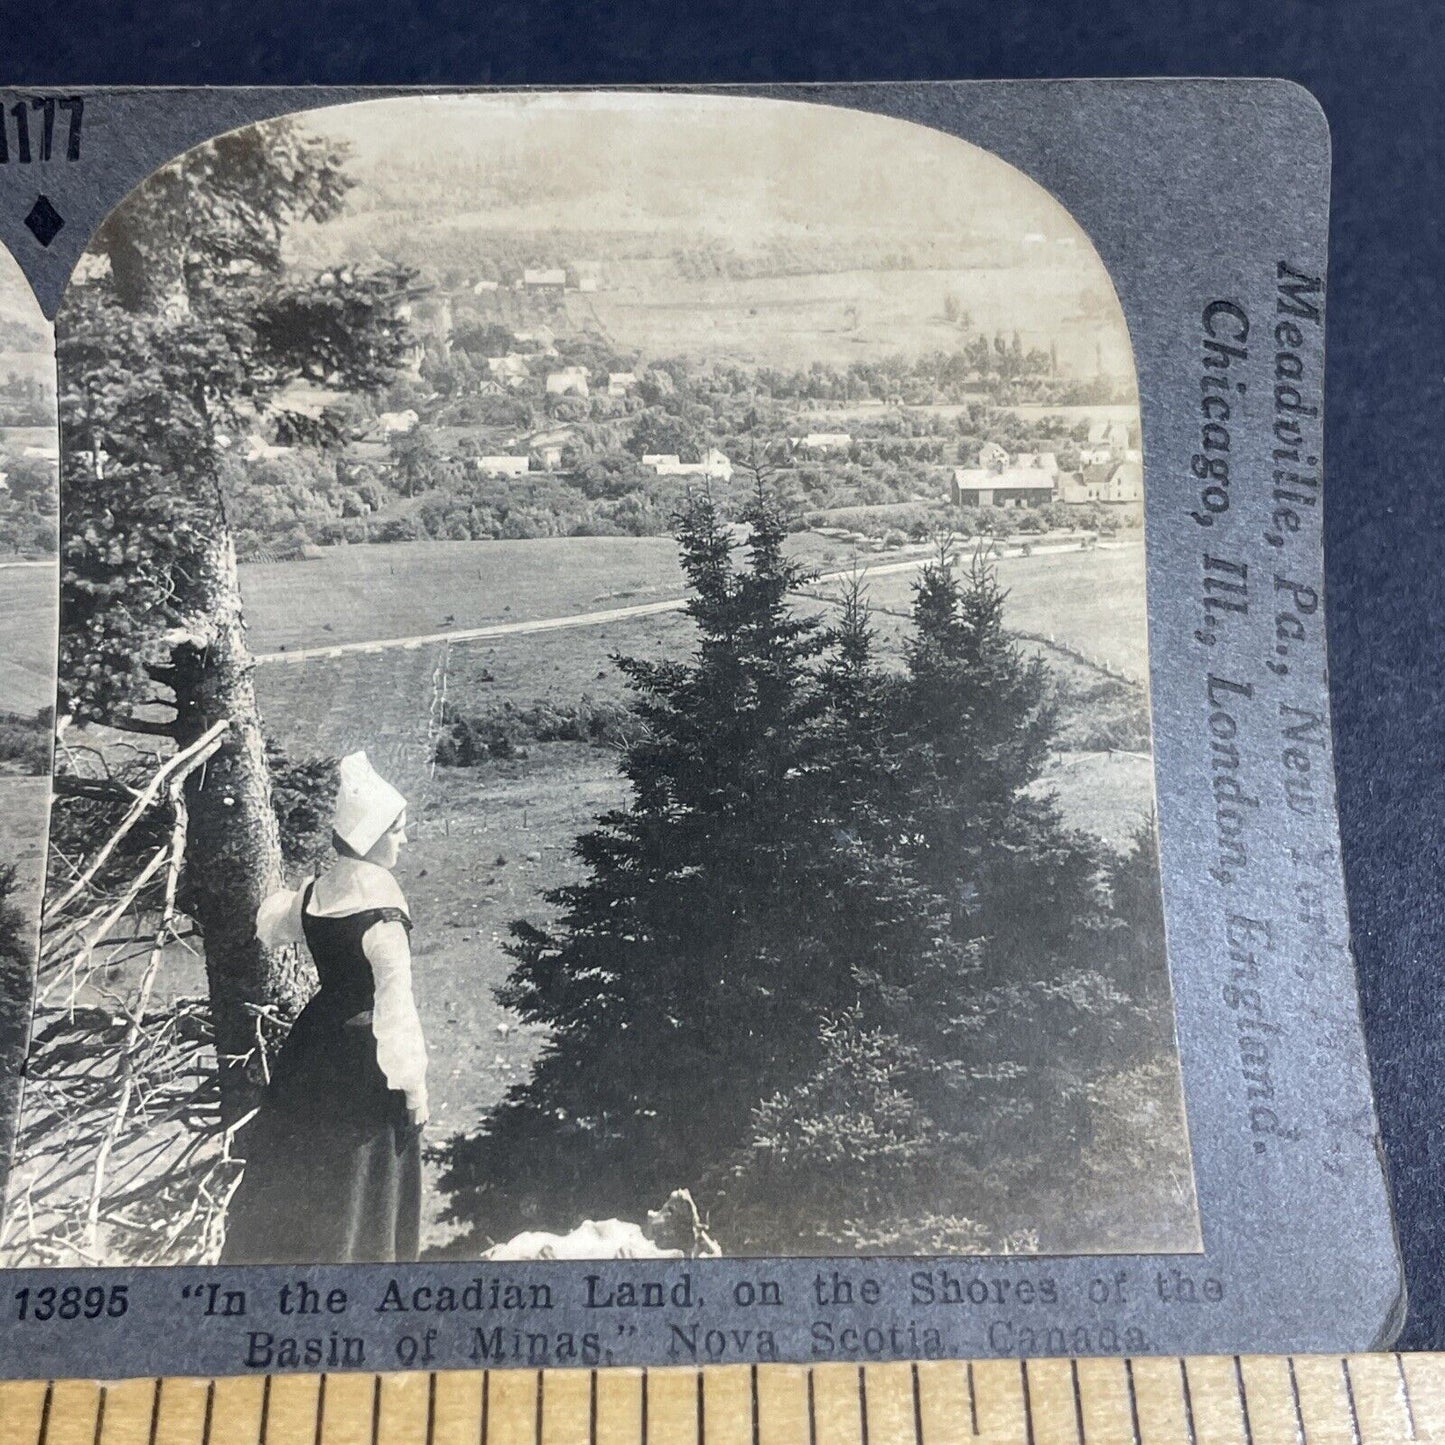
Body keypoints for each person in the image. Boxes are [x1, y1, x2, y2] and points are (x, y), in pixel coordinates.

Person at [221, 752, 429, 1264]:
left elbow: (272, 927)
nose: (402, 839)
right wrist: (414, 1091)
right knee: (364, 1169)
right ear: (375, 835)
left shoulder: (316, 892)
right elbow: (396, 1010)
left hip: (312, 1047)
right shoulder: (383, 911)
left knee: (306, 1163)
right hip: (365, 1058)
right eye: (397, 830)